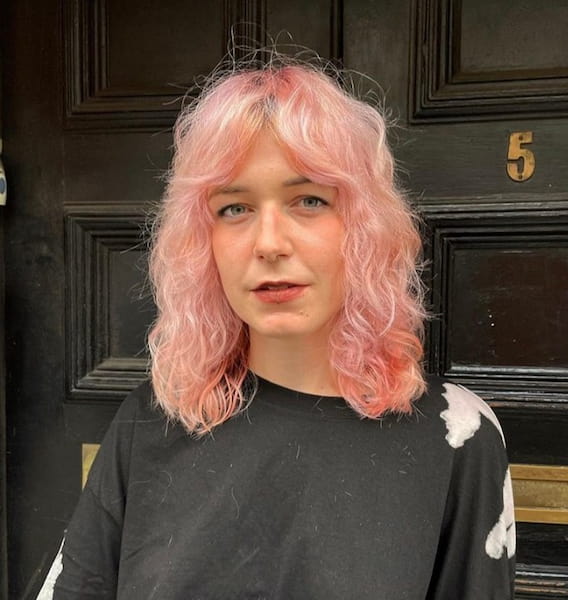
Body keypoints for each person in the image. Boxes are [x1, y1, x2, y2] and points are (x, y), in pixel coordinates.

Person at [39, 58, 516, 599]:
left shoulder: (457, 436)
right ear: (203, 241)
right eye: (234, 207)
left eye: (309, 200)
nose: (269, 242)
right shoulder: (154, 418)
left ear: (364, 226)